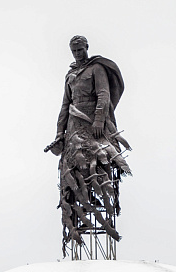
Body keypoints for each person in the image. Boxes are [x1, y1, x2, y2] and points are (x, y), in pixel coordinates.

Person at [45, 36, 132, 257]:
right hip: (75, 126)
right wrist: (59, 134)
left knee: (98, 166)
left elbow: (104, 94)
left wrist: (100, 121)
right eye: (73, 51)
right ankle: (81, 211)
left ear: (87, 48)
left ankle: (100, 206)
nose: (77, 54)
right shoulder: (70, 75)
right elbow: (65, 105)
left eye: (80, 49)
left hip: (94, 123)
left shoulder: (96, 69)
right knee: (74, 172)